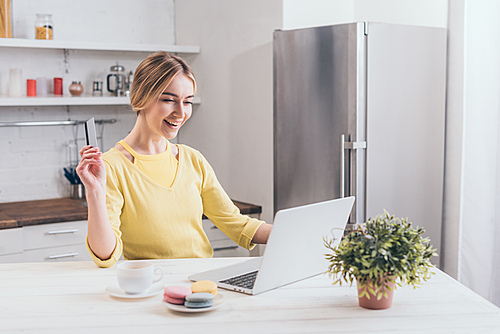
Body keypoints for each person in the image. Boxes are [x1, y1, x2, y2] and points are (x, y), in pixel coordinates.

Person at [76, 51, 272, 268]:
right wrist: (94, 192)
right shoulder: (112, 166)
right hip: (152, 288)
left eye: (187, 102)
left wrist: (295, 231)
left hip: (201, 285)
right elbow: (105, 255)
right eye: (169, 100)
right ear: (141, 98)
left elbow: (237, 224)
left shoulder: (192, 160)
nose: (181, 112)